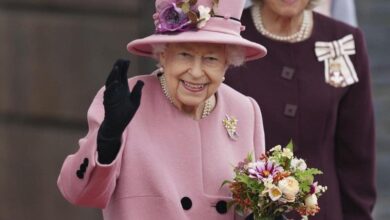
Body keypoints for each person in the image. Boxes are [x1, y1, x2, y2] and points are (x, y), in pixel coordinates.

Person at [57, 0, 268, 219]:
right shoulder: (126, 100)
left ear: (227, 63)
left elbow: (251, 204)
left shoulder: (244, 110)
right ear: (163, 55)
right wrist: (108, 138)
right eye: (184, 55)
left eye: (211, 59)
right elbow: (79, 194)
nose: (196, 72)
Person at [225, 0, 376, 220]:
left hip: (323, 212)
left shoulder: (343, 39)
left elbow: (357, 154)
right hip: (242, 211)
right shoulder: (228, 37)